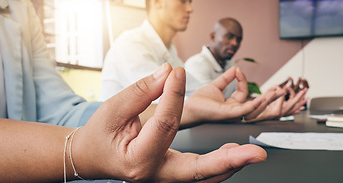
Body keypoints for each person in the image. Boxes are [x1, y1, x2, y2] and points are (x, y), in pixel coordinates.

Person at [0, 0, 267, 183]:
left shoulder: (19, 9)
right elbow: (82, 139)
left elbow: (61, 113)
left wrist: (191, 108)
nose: (190, 8)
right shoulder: (133, 44)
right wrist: (80, 153)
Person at [99, 0, 308, 123]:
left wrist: (260, 106)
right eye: (183, 1)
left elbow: (202, 94)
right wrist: (249, 109)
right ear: (157, 2)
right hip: (113, 158)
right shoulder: (131, 45)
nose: (190, 9)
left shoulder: (170, 54)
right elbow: (164, 106)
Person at [185, 17, 242, 98]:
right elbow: (207, 102)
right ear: (213, 36)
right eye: (229, 36)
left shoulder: (232, 64)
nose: (235, 43)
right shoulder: (196, 64)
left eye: (239, 39)